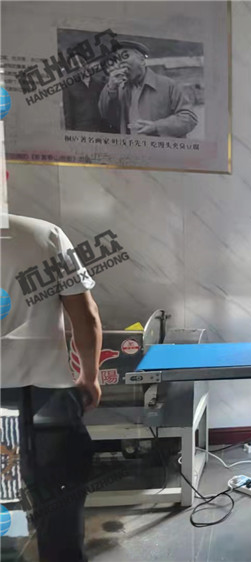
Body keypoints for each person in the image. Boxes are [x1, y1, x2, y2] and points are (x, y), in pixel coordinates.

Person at [0, 214, 102, 562]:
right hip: (48, 394)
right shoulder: (44, 235)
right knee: (60, 502)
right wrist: (89, 375)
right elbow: (85, 315)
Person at [98, 39, 198, 138]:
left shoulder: (168, 85)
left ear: (142, 60)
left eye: (125, 56)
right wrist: (111, 89)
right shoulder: (117, 88)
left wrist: (156, 127)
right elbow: (105, 116)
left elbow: (189, 118)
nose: (120, 63)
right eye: (117, 59)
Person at [62, 52, 112, 133]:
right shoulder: (68, 87)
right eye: (75, 64)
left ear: (87, 63)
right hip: (81, 130)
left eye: (82, 62)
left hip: (100, 129)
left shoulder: (99, 83)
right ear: (71, 69)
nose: (80, 66)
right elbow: (68, 115)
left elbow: (106, 105)